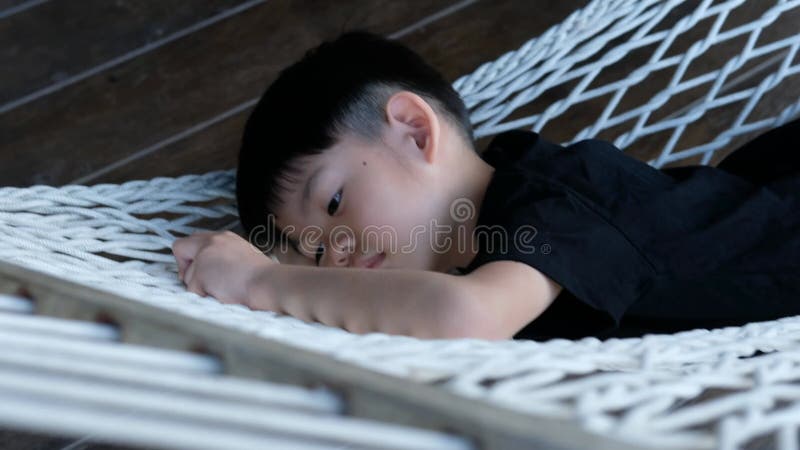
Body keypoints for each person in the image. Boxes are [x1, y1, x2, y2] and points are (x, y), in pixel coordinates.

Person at [172, 30, 800, 342]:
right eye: (313, 253)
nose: (334, 254)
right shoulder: (480, 249)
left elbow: (464, 315)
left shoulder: (549, 203)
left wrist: (261, 282)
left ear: (414, 131)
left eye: (334, 203)